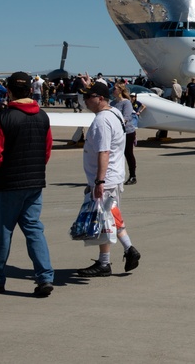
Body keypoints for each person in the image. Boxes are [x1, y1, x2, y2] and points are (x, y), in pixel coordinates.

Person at [0, 72, 55, 297]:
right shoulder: (43, 116)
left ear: (9, 91)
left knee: (2, 233)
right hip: (34, 182)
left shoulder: (3, 117)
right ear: (30, 90)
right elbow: (46, 150)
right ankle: (45, 277)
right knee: (34, 229)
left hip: (8, 184)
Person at [77, 81, 141, 277]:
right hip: (114, 176)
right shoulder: (114, 112)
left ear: (101, 98)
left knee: (103, 221)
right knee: (111, 216)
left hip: (107, 179)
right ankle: (129, 249)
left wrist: (99, 181)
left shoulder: (102, 120)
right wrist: (94, 85)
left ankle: (105, 263)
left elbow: (104, 151)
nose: (85, 100)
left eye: (89, 97)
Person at [112, 82, 139, 185]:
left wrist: (116, 122)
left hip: (127, 132)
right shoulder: (112, 103)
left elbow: (126, 117)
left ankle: (133, 176)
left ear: (120, 90)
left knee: (128, 154)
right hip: (116, 133)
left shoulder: (126, 103)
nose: (113, 90)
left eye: (114, 88)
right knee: (115, 154)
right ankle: (115, 176)